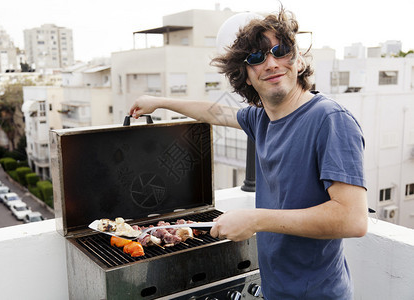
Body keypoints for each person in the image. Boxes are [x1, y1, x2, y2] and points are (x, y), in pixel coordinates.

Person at [129, 7, 368, 300]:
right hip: (276, 291)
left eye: (281, 51)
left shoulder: (330, 119)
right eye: (257, 57)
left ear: (299, 60)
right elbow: (216, 112)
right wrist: (159, 101)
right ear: (246, 76)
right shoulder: (263, 119)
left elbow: (353, 219)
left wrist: (255, 219)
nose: (271, 63)